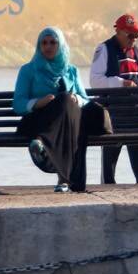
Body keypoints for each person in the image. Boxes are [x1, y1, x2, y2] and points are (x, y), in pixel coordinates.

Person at [11, 25, 115, 191]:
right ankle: (65, 179)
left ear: (61, 45)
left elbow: (84, 99)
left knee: (68, 103)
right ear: (39, 46)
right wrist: (38, 102)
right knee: (67, 107)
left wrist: (76, 99)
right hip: (39, 121)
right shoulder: (28, 70)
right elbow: (18, 103)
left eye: (53, 42)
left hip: (69, 121)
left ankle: (43, 146)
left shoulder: (71, 70)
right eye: (44, 43)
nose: (48, 47)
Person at [88, 12, 138, 183]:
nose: (133, 39)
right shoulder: (104, 49)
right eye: (130, 35)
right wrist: (121, 83)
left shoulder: (137, 51)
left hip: (136, 116)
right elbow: (95, 81)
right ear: (118, 32)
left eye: (136, 35)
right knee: (110, 159)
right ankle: (108, 185)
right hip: (113, 115)